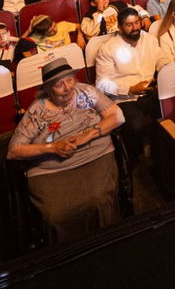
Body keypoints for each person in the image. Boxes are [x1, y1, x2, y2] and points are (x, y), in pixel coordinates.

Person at [8, 61, 124, 242]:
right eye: (59, 84)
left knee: (100, 200)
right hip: (51, 170)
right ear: (48, 89)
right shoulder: (37, 110)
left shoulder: (86, 92)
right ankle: (67, 252)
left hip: (95, 156)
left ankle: (105, 243)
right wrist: (52, 147)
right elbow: (14, 151)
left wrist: (87, 135)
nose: (67, 87)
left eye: (70, 80)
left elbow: (118, 116)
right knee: (56, 215)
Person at [91, 9, 158, 166]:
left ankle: (159, 152)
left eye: (137, 23)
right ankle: (135, 161)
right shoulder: (108, 48)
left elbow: (161, 60)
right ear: (120, 28)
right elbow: (101, 83)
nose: (135, 28)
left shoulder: (150, 40)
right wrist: (129, 89)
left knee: (169, 110)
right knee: (135, 125)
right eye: (129, 25)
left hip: (149, 92)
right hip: (124, 98)